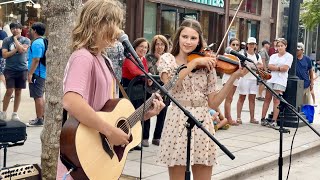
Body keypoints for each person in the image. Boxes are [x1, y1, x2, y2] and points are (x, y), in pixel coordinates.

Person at [56, 0, 165, 179]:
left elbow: (107, 111)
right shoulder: (83, 57)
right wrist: (109, 131)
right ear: (97, 23)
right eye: (114, 23)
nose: (119, 30)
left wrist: (145, 114)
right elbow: (71, 101)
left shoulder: (102, 59)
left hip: (97, 154)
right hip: (83, 150)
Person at [156, 18, 245, 180]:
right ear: (178, 37)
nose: (188, 42)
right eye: (185, 37)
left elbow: (213, 102)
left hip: (203, 119)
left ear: (199, 41)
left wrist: (233, 78)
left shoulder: (207, 63)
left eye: (193, 38)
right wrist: (194, 62)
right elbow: (170, 84)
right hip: (177, 118)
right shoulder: (167, 59)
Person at [122, 37, 152, 147]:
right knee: (131, 115)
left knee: (140, 114)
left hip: (139, 89)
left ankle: (137, 140)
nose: (143, 49)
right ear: (135, 47)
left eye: (145, 47)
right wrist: (146, 76)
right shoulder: (129, 58)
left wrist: (147, 78)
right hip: (129, 89)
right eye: (141, 46)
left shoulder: (143, 59)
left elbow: (145, 73)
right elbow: (135, 72)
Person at [0, 22, 30, 121]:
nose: (15, 30)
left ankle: (15, 113)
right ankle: (3, 112)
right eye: (13, 28)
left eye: (17, 28)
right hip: (9, 69)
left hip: (22, 69)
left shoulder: (26, 40)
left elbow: (22, 50)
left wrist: (16, 40)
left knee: (18, 91)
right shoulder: (6, 40)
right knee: (9, 91)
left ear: (21, 30)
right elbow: (4, 55)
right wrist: (16, 48)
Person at [261, 38, 293, 127]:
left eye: (281, 46)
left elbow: (285, 68)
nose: (279, 47)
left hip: (280, 80)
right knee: (267, 98)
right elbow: (269, 66)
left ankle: (274, 120)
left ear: (285, 46)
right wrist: (279, 68)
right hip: (271, 78)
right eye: (278, 46)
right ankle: (263, 118)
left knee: (276, 100)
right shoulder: (273, 56)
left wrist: (276, 67)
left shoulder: (289, 56)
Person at [145, 34, 170, 146]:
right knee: (147, 111)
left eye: (162, 44)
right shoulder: (148, 57)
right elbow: (154, 71)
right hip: (150, 89)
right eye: (157, 44)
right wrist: (159, 59)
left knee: (162, 113)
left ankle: (157, 137)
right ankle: (145, 137)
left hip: (164, 89)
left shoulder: (169, 57)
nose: (159, 47)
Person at [236, 37, 263, 124]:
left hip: (253, 79)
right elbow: (242, 65)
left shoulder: (257, 55)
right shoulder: (243, 54)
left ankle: (252, 118)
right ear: (247, 45)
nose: (251, 46)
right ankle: (238, 117)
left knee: (252, 98)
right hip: (244, 79)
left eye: (253, 44)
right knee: (242, 97)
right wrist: (254, 66)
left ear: (255, 45)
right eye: (250, 44)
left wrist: (250, 66)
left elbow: (261, 66)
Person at [27, 22, 47, 126]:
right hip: (41, 73)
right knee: (39, 96)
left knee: (37, 96)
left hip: (37, 73)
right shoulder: (42, 41)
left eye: (31, 29)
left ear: (34, 30)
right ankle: (41, 117)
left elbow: (36, 59)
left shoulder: (37, 43)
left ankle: (39, 119)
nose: (30, 31)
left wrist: (30, 74)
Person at [222, 37, 240, 125]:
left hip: (235, 79)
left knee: (230, 98)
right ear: (230, 45)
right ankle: (228, 118)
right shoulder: (227, 55)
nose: (235, 47)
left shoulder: (238, 55)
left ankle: (227, 117)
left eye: (237, 45)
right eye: (233, 44)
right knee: (228, 99)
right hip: (228, 78)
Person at [0, 20, 8, 86]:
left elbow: (1, 45)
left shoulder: (2, 33)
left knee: (1, 74)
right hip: (2, 56)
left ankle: (9, 91)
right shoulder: (3, 33)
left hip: (1, 57)